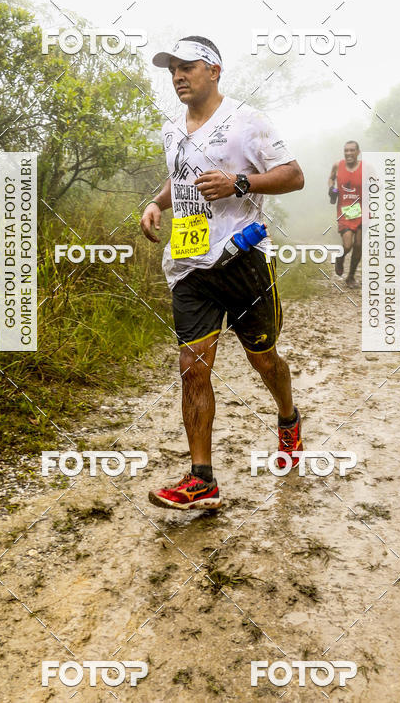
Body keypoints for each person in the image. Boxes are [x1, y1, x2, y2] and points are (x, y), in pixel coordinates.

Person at [140, 36, 304, 510]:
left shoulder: (247, 121)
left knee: (264, 360)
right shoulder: (172, 129)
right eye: (172, 69)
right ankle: (202, 480)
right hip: (190, 265)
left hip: (242, 259)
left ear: (213, 70)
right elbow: (179, 176)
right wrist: (156, 202)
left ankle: (288, 418)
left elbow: (294, 175)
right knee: (192, 368)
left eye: (186, 66)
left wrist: (240, 182)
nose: (177, 76)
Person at [328, 141, 362, 288]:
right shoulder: (338, 165)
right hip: (345, 210)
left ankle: (351, 277)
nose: (348, 153)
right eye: (346, 150)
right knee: (348, 245)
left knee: (358, 245)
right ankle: (340, 257)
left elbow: (377, 183)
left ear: (358, 152)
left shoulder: (366, 167)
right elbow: (331, 178)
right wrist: (332, 188)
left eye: (352, 150)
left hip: (362, 209)